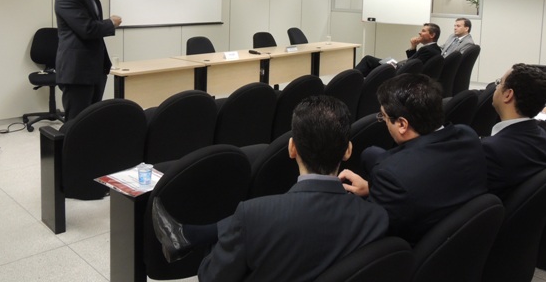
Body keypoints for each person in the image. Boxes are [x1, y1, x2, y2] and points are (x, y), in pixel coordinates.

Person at [152, 96, 389, 281]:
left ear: (292, 148)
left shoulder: (254, 215)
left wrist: (215, 249)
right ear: (348, 150)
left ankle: (190, 237)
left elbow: (211, 277)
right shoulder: (375, 217)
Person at [339, 73, 488, 244]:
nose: (384, 122)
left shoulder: (392, 174)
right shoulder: (467, 136)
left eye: (384, 117)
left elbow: (373, 235)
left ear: (402, 124)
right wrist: (372, 188)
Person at [55, 0, 122, 120]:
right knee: (76, 125)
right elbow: (86, 29)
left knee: (91, 122)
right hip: (78, 72)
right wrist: (110, 23)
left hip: (93, 70)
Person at [483, 63, 546, 199]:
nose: (496, 87)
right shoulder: (542, 136)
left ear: (508, 95)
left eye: (499, 83)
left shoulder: (491, 150)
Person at [354, 23, 442, 77]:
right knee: (372, 63)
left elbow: (412, 65)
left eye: (423, 31)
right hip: (402, 68)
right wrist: (413, 46)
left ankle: (352, 78)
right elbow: (414, 62)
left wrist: (396, 65)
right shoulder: (435, 49)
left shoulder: (427, 50)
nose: (419, 33)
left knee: (368, 60)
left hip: (400, 72)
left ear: (432, 35)